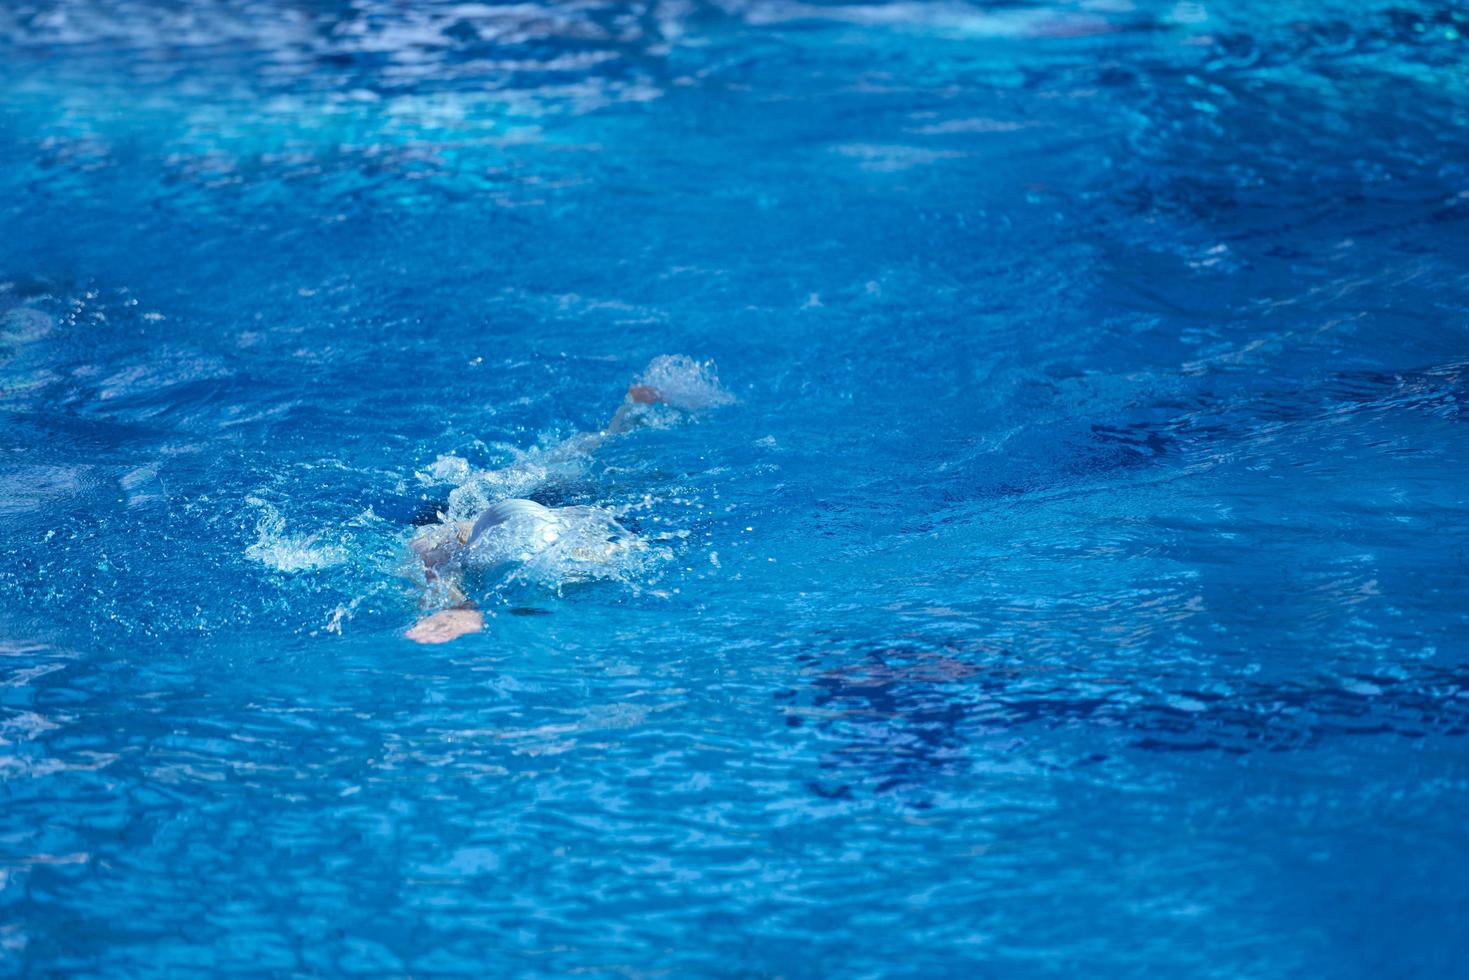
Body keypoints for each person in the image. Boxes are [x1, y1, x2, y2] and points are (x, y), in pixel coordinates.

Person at [406, 380, 667, 644]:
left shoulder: (582, 555)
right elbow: (423, 551)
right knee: (576, 462)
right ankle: (628, 411)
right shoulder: (456, 541)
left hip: (545, 508)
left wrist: (460, 606)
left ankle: (630, 410)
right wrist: (458, 607)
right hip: (512, 506)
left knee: (593, 458)